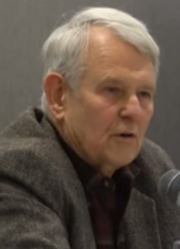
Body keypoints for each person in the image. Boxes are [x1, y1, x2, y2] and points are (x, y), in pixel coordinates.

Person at [0, 6, 180, 249]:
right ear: (59, 95)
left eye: (144, 94)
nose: (134, 110)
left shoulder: (155, 168)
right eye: (112, 90)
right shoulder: (17, 170)